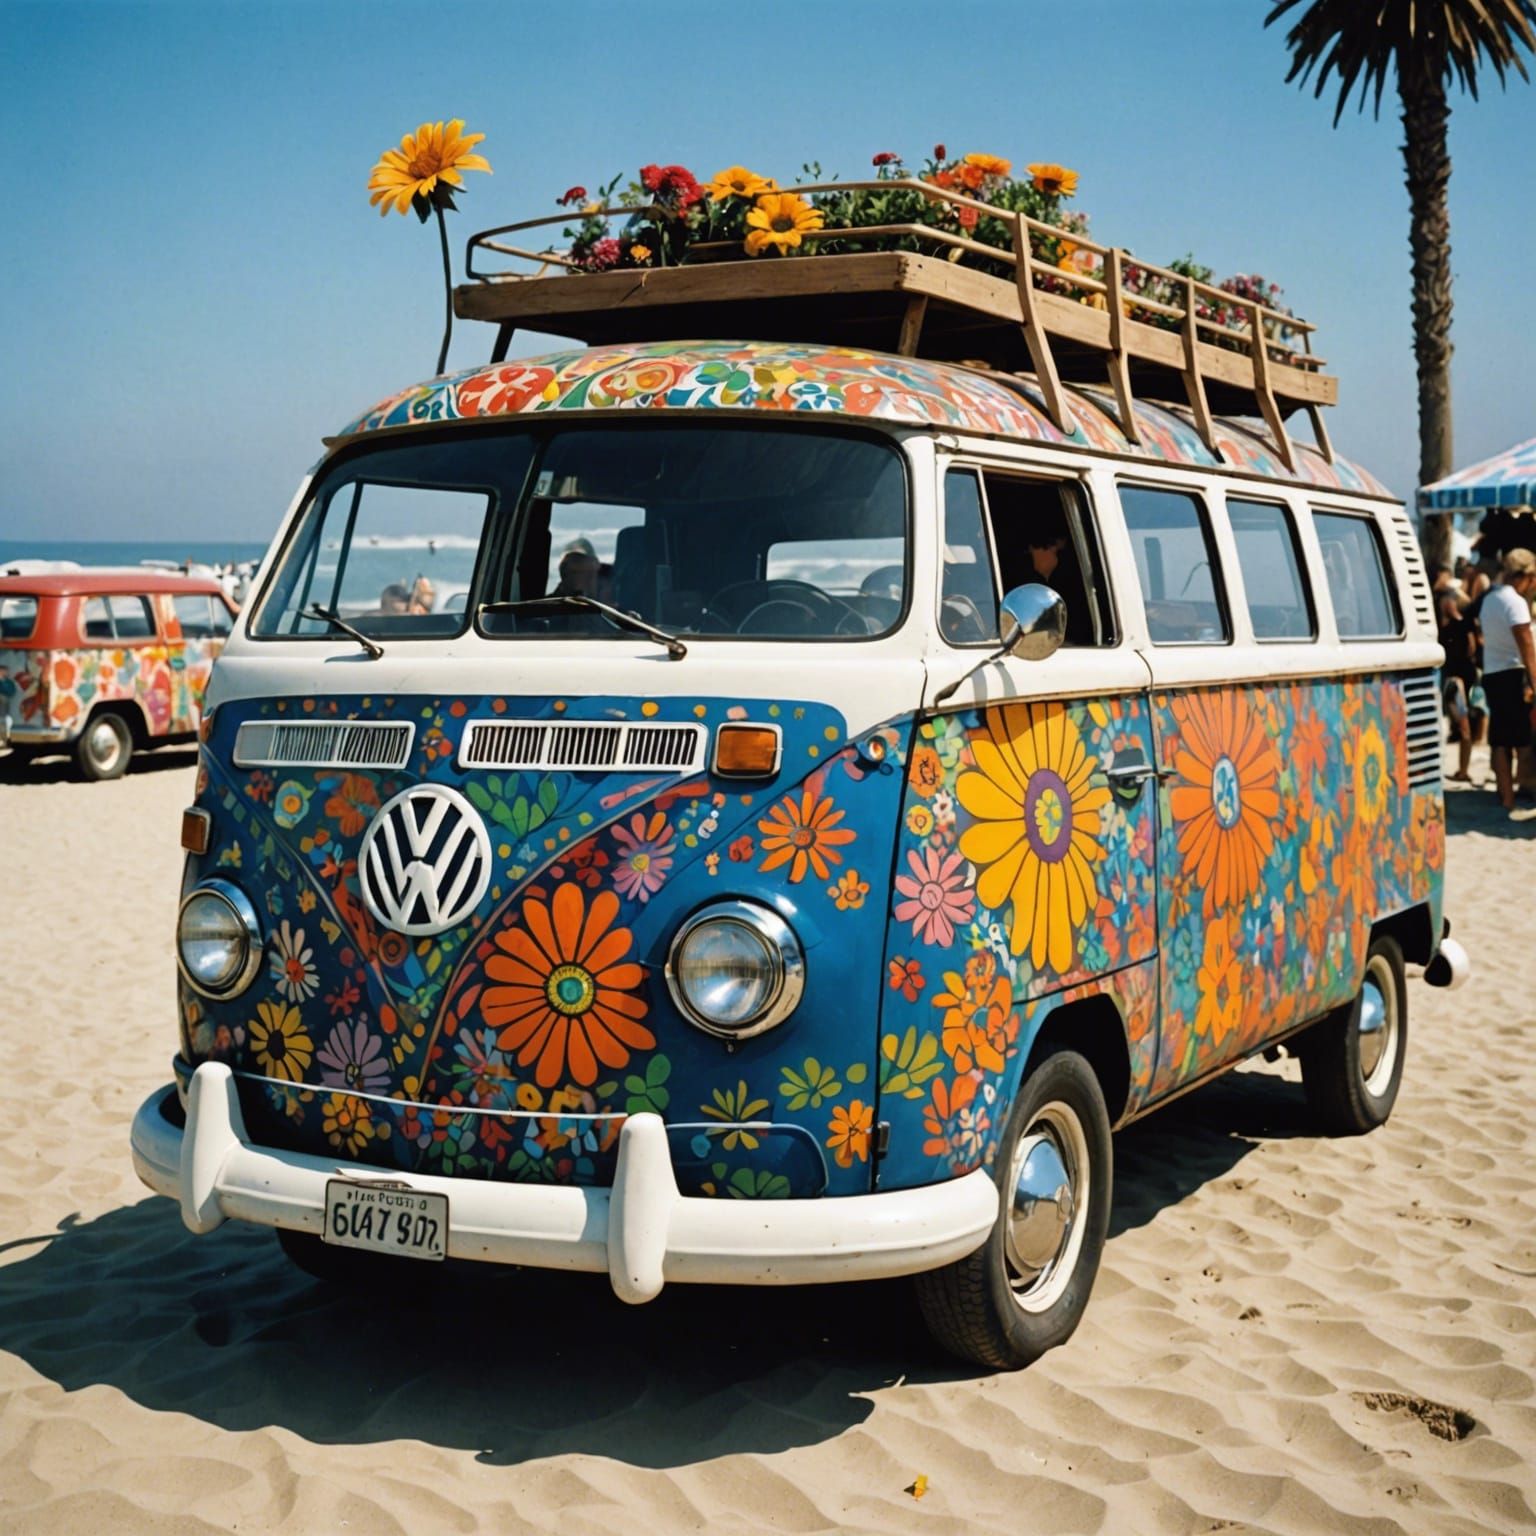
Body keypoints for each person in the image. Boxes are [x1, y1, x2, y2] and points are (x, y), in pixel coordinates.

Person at [1477, 548, 1536, 820]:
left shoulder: (1489, 599)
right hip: (1513, 675)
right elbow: (1527, 648)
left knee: (1500, 740)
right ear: (1523, 576)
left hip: (1492, 674)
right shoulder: (1516, 602)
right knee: (1522, 740)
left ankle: (1507, 798)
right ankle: (1525, 788)